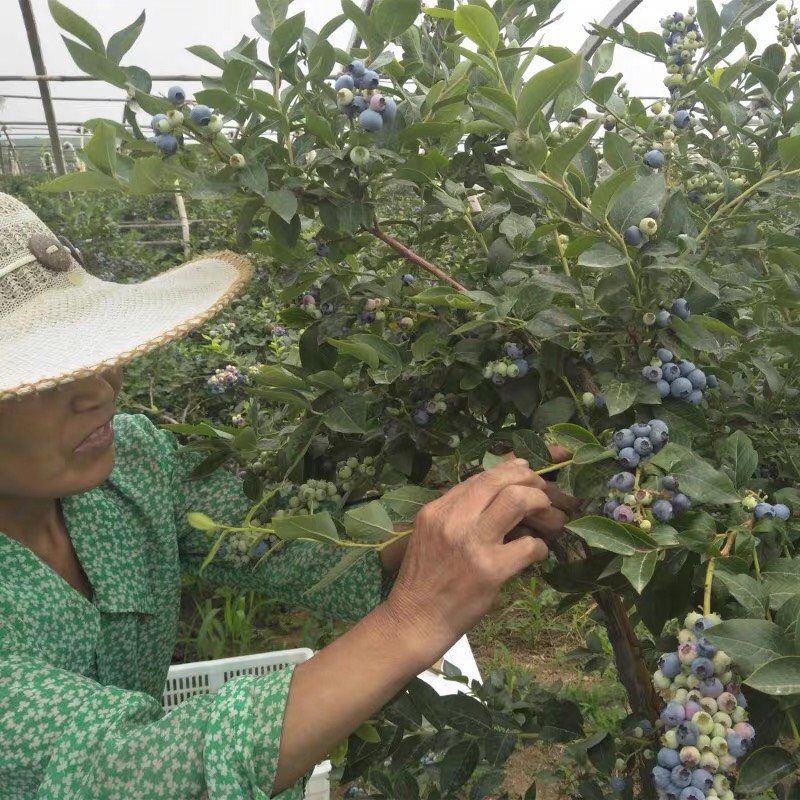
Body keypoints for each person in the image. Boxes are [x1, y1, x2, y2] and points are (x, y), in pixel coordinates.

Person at [0, 192, 574, 799]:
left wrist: (457, 524)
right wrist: (414, 618)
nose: (101, 385)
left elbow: (278, 543)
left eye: (88, 349)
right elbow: (126, 770)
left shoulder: (131, 466)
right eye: (38, 375)